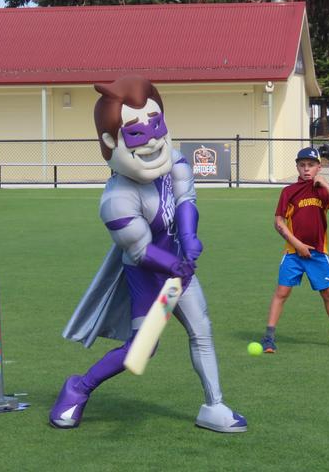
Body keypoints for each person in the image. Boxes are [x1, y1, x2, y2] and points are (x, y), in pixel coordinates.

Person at [49, 76, 247, 432]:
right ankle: (78, 387)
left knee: (202, 331)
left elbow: (186, 200)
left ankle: (214, 405)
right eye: (137, 133)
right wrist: (178, 266)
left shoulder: (174, 162)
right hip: (151, 277)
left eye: (156, 125)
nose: (152, 139)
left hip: (177, 269)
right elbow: (140, 252)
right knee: (141, 351)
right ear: (111, 140)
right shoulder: (118, 199)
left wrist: (189, 238)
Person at [260, 147, 329, 353]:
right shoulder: (289, 192)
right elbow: (278, 222)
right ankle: (268, 337)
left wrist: (327, 185)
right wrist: (297, 245)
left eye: (311, 165)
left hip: (318, 254)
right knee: (281, 292)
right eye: (302, 165)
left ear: (319, 167)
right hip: (293, 253)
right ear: (297, 167)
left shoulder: (322, 191)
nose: (306, 169)